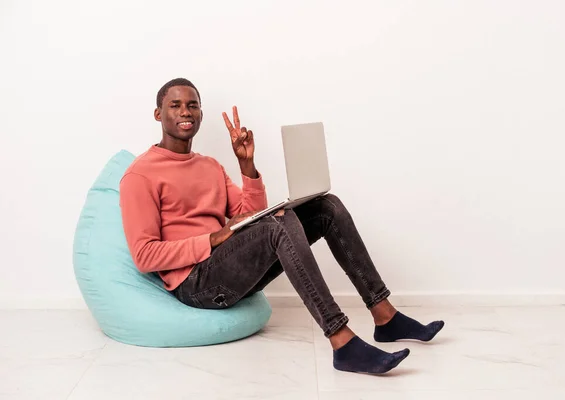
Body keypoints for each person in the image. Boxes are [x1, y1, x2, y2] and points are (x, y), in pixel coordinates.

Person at [119, 77, 445, 374]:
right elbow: (145, 255)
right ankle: (341, 339)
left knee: (325, 206)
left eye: (192, 104)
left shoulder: (210, 166)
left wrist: (247, 165)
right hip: (195, 282)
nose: (184, 111)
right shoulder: (141, 175)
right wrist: (211, 239)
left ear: (201, 114)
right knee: (278, 225)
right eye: (174, 105)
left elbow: (253, 217)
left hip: (225, 266)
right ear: (158, 114)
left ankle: (384, 315)